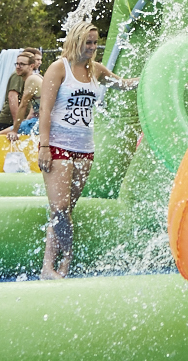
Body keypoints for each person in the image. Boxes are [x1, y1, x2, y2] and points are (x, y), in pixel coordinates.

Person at [38, 23, 135, 279]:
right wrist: (44, 146)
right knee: (59, 207)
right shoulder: (60, 68)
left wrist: (151, 76)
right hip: (58, 146)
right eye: (88, 43)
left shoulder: (95, 70)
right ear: (75, 41)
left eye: (95, 43)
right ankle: (55, 264)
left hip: (84, 149)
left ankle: (57, 265)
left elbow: (124, 84)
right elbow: (45, 110)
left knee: (67, 208)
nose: (93, 48)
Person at [0, 54, 30, 134]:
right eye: (17, 64)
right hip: (9, 122)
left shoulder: (31, 78)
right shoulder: (18, 75)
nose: (18, 66)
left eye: (21, 64)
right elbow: (12, 97)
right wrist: (17, 124)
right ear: (31, 65)